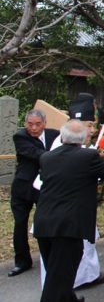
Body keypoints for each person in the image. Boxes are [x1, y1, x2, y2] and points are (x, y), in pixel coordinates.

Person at [34, 120, 104, 302]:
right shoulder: (87, 156)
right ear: (84, 138)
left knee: (57, 273)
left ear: (62, 136)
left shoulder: (47, 158)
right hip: (68, 226)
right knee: (58, 279)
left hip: (44, 223)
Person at [37, 93, 104, 290]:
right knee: (63, 262)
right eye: (90, 125)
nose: (93, 130)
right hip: (64, 214)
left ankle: (85, 278)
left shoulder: (74, 144)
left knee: (83, 249)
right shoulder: (62, 147)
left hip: (71, 210)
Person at [9, 110, 59, 277]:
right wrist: (58, 156)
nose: (34, 128)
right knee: (20, 223)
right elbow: (37, 154)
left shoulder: (55, 135)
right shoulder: (20, 137)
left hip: (44, 187)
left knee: (45, 222)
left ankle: (50, 257)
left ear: (44, 123)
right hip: (23, 188)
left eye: (38, 124)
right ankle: (22, 261)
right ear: (25, 124)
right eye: (30, 124)